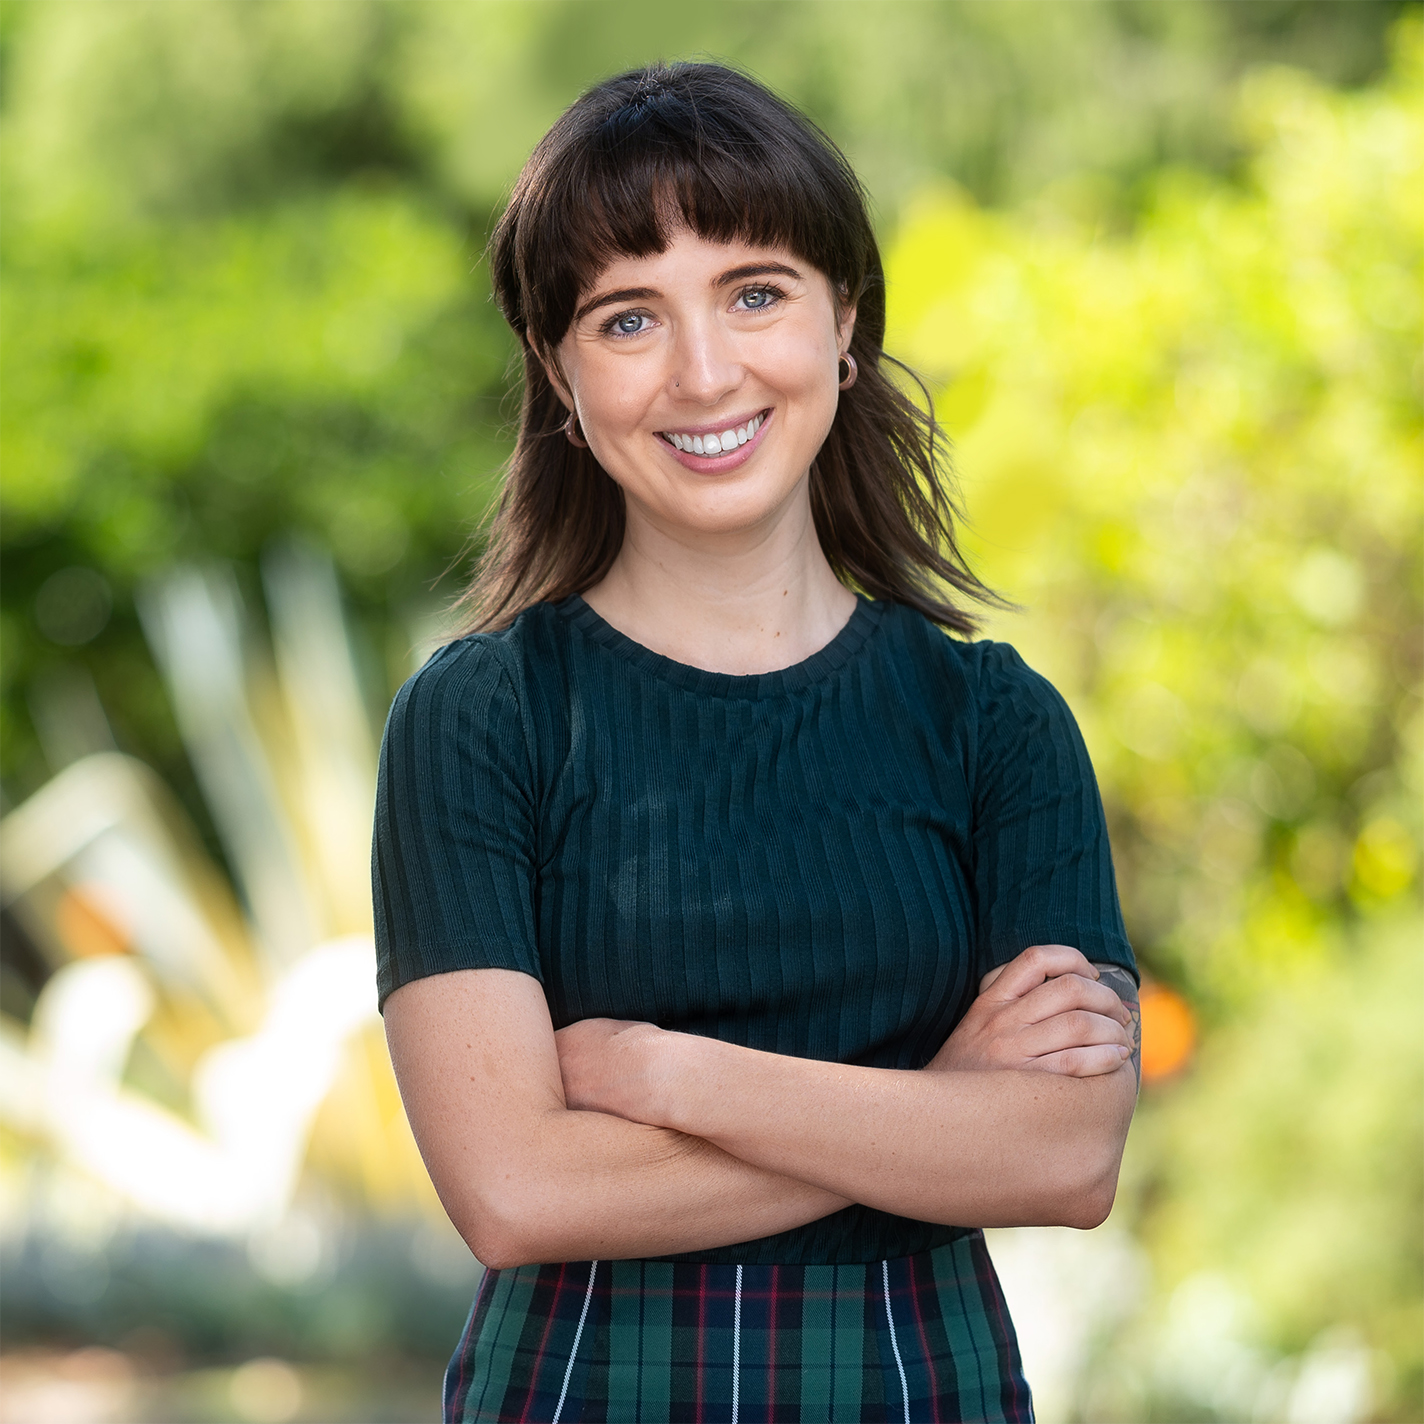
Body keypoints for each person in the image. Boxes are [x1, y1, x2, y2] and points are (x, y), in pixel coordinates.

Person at [374, 61, 1141, 1424]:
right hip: (582, 1391)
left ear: (845, 323)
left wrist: (676, 1078)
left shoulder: (995, 726)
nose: (705, 371)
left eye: (755, 291)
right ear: (559, 375)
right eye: (627, 318)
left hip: (920, 1390)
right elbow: (515, 1194)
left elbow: (1068, 1160)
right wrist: (934, 1111)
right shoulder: (483, 720)